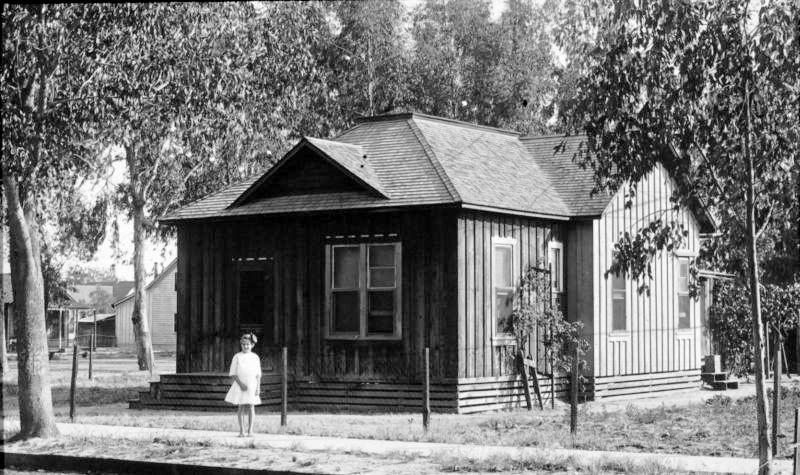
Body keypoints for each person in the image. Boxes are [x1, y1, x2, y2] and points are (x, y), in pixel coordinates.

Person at [225, 332, 262, 436]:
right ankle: (242, 431)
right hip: (240, 385)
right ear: (241, 344)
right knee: (241, 406)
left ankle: (250, 430)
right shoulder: (237, 357)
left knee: (251, 406)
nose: (246, 346)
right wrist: (240, 384)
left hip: (252, 384)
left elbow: (258, 374)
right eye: (243, 344)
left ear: (252, 345)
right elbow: (233, 373)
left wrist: (258, 387)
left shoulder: (255, 357)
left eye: (248, 344)